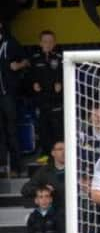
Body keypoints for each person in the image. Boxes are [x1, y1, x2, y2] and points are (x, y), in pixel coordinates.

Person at [29, 30, 63, 159]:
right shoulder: (35, 58)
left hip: (57, 100)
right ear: (40, 43)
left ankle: (60, 154)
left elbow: (68, 74)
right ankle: (46, 154)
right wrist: (33, 84)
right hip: (41, 99)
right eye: (45, 41)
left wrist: (61, 84)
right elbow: (29, 77)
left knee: (58, 128)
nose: (48, 44)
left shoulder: (60, 58)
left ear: (55, 43)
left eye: (50, 41)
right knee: (43, 128)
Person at [0, 23, 27, 176]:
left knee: (11, 131)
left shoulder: (9, 42)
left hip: (7, 95)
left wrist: (19, 65)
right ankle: (3, 167)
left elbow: (26, 60)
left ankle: (17, 167)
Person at [22, 140, 65, 211]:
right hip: (52, 212)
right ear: (53, 153)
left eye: (66, 149)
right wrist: (44, 189)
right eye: (60, 149)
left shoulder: (76, 170)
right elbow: (25, 189)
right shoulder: (44, 171)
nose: (64, 152)